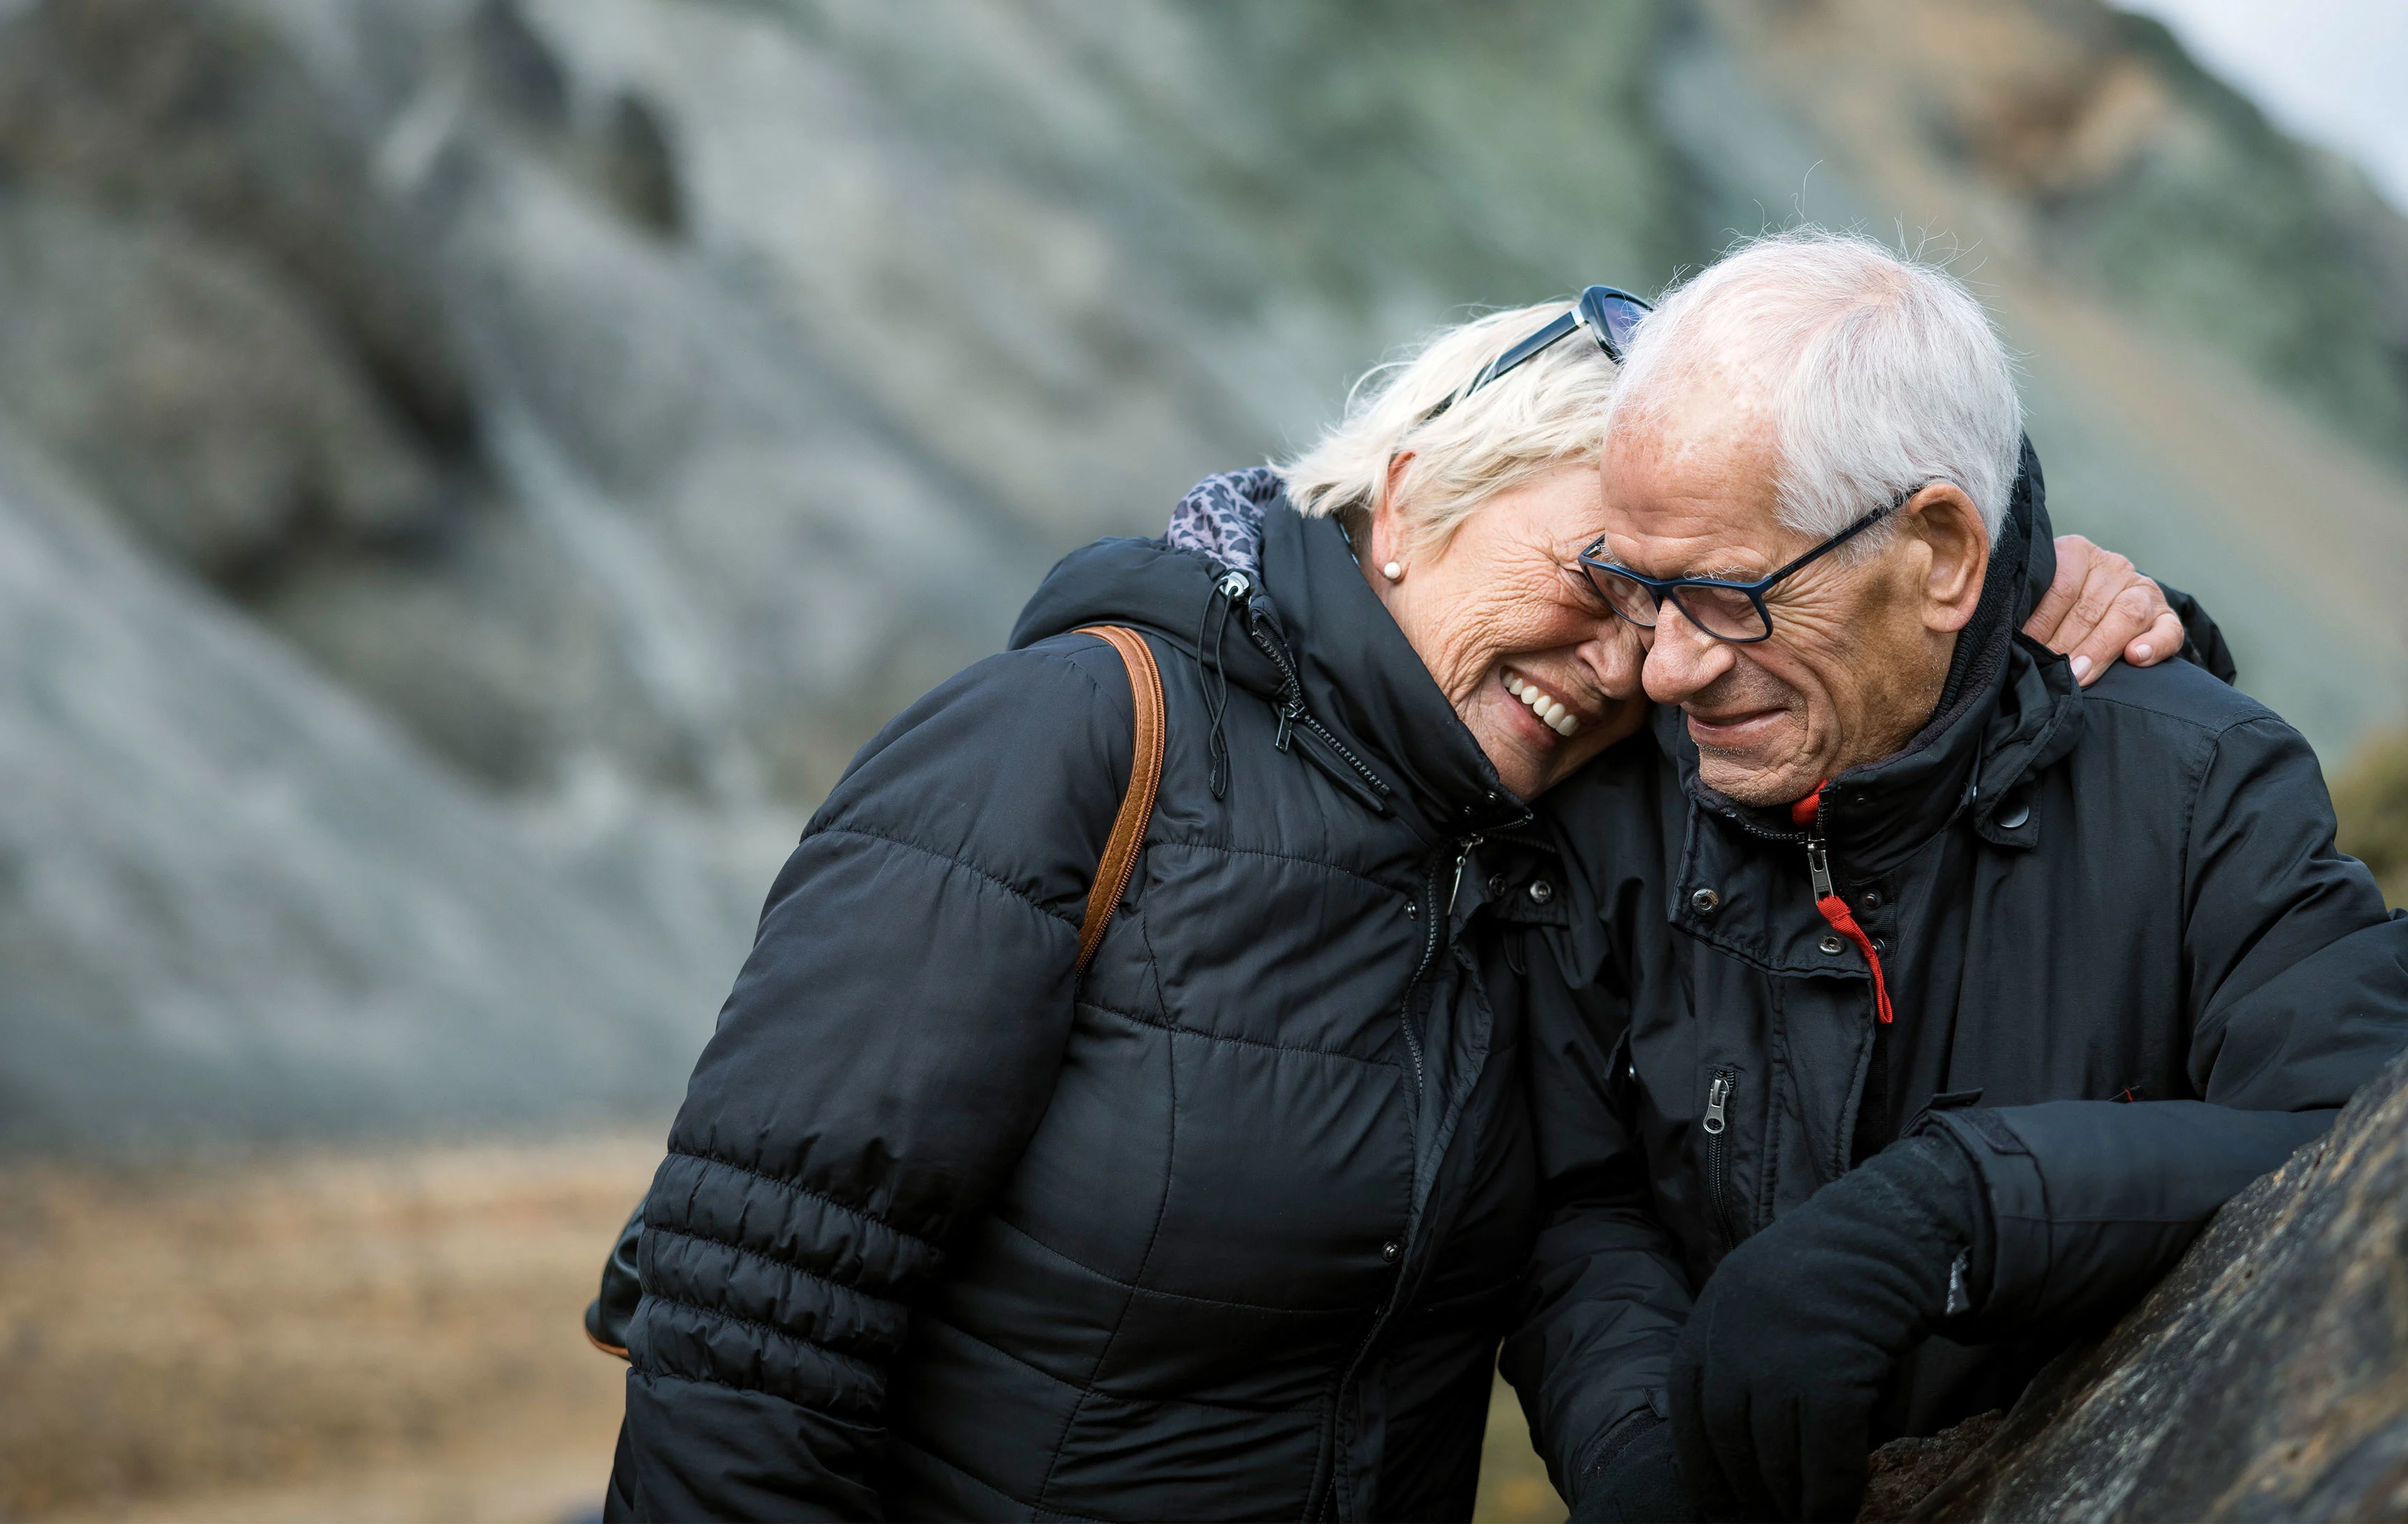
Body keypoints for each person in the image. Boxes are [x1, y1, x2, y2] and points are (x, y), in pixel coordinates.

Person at [601, 285, 2182, 1521]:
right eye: (1602, 581)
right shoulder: (1071, 741)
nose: (1637, 665)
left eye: (1681, 603)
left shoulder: (1539, 845)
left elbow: (1889, 715)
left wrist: (2061, 610)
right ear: (1415, 496)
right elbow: (748, 1342)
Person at [1503, 231, 2408, 1523]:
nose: (1663, 669)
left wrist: (1961, 1208)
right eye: (1641, 590)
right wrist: (1646, 1451)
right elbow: (1581, 1202)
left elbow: (2352, 1119)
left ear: (1938, 552)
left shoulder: (2203, 786)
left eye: (1724, 598)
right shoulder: (1620, 793)